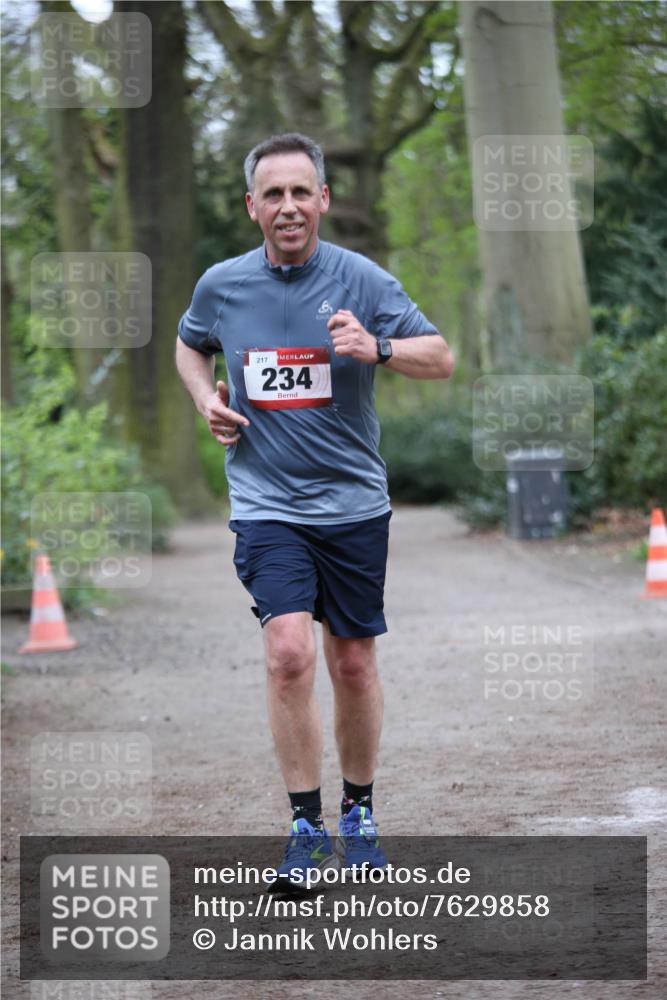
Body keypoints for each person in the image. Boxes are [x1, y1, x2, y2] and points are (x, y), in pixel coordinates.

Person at [176, 132, 453, 890]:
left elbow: (441, 354)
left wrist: (379, 349)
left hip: (353, 505)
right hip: (267, 504)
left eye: (302, 192)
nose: (289, 206)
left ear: (323, 200)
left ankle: (358, 813)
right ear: (252, 207)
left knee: (353, 662)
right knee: (289, 652)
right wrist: (207, 399)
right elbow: (188, 345)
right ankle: (306, 827)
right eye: (274, 194)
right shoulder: (223, 285)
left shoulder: (362, 280)